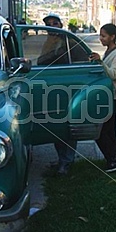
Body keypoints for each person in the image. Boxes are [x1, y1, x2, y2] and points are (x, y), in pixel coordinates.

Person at [40, 13, 77, 174]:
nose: (52, 26)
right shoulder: (48, 42)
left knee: (69, 126)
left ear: (61, 25)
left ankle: (67, 162)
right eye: (49, 24)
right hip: (52, 88)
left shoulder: (70, 42)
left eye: (55, 23)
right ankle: (61, 159)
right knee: (55, 124)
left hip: (68, 86)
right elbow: (41, 62)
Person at [89, 23, 116, 173]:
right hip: (108, 94)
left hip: (115, 96)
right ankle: (114, 159)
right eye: (100, 35)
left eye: (104, 36)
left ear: (112, 37)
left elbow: (112, 74)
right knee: (110, 130)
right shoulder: (109, 51)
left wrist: (100, 61)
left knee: (102, 130)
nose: (101, 39)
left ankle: (113, 158)